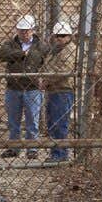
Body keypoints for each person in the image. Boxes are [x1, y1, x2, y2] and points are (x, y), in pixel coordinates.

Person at [0, 15, 47, 158]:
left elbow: (46, 63)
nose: (24, 33)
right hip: (14, 87)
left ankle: (32, 149)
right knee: (13, 120)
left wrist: (43, 78)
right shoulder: (10, 44)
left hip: (32, 88)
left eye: (27, 30)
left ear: (32, 30)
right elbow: (3, 54)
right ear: (17, 30)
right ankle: (14, 147)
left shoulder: (41, 46)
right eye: (21, 30)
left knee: (32, 119)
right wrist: (22, 54)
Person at [42, 20, 79, 163]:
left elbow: (64, 71)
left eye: (63, 36)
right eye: (57, 35)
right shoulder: (56, 51)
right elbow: (48, 68)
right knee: (53, 122)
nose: (60, 38)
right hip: (54, 90)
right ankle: (56, 152)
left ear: (69, 36)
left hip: (63, 90)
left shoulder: (69, 50)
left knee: (59, 122)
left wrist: (46, 81)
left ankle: (60, 154)